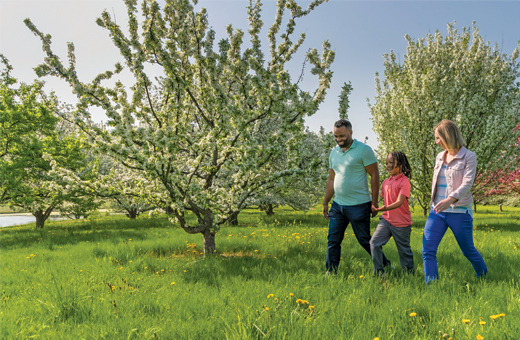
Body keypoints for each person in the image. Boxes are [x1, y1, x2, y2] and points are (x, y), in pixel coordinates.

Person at [422, 119, 487, 283]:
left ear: (448, 136)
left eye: (438, 138)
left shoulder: (469, 156)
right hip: (437, 211)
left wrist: (450, 200)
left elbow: (467, 183)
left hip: (459, 211)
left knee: (468, 250)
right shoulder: (439, 156)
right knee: (428, 249)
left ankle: (483, 275)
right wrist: (438, 202)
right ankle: (431, 284)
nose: (437, 142)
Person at [322, 119, 390, 274]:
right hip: (338, 205)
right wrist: (326, 201)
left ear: (350, 133)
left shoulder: (363, 150)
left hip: (359, 205)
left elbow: (374, 175)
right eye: (336, 136)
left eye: (342, 136)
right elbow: (331, 179)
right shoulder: (334, 153)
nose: (338, 139)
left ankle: (385, 264)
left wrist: (374, 202)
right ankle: (331, 272)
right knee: (333, 240)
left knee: (365, 240)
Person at [371, 151, 414, 276]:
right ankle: (379, 273)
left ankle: (409, 276)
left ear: (400, 164)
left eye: (391, 163)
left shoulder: (404, 182)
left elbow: (399, 202)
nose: (388, 165)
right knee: (374, 243)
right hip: (387, 221)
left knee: (404, 251)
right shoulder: (385, 182)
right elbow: (382, 197)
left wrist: (382, 209)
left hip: (402, 223)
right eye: (387, 163)